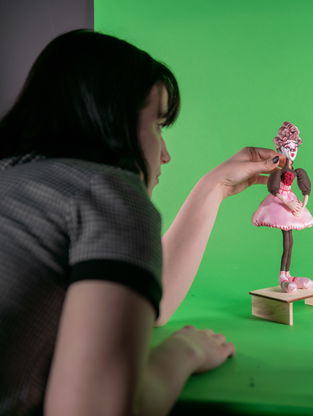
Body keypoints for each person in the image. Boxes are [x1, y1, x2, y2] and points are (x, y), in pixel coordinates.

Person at [0, 29, 284, 415]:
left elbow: (141, 306)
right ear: (107, 119)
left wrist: (214, 187)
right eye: (157, 125)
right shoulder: (105, 190)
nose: (164, 154)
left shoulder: (17, 180)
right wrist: (182, 353)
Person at [252, 121, 313, 293]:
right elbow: (273, 189)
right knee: (286, 243)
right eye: (288, 146)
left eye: (295, 147)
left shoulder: (298, 171)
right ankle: (282, 276)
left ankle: (288, 274)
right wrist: (287, 203)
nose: (293, 150)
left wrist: (302, 206)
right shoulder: (278, 172)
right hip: (281, 201)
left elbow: (305, 190)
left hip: (292, 202)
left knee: (290, 242)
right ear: (281, 149)